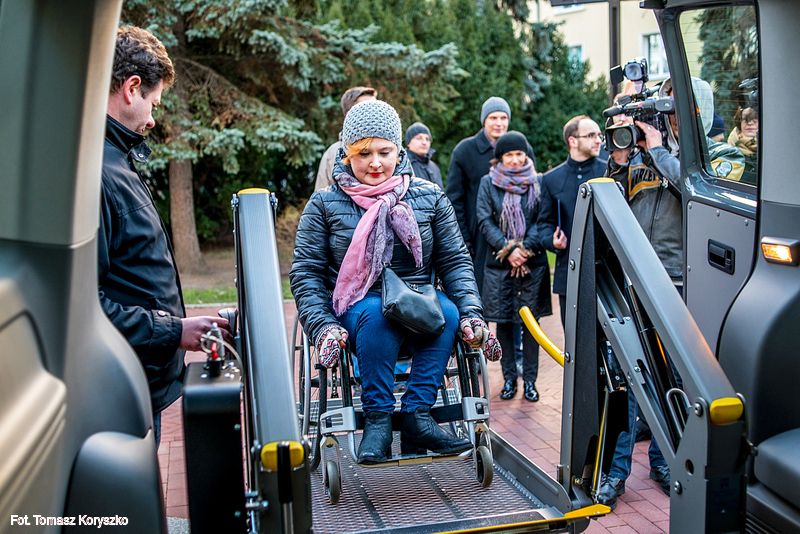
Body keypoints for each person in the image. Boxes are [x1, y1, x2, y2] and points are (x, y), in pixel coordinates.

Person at [290, 100, 501, 465]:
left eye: (384, 152)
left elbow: (455, 261)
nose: (375, 163)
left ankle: (418, 415)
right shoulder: (324, 204)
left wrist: (471, 313)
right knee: (377, 314)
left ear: (399, 151)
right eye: (364, 153)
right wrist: (322, 325)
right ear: (346, 153)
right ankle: (378, 420)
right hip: (359, 304)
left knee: (449, 314)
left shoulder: (429, 196)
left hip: (419, 295)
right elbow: (306, 272)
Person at [100, 26, 232, 447]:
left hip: (139, 380)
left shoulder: (115, 158)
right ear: (131, 88)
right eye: (153, 103)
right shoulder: (97, 173)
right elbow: (87, 305)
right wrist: (174, 332)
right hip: (120, 387)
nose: (153, 118)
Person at [476, 132, 552, 402]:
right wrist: (509, 251)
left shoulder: (538, 181)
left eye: (519, 154)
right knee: (505, 323)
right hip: (500, 265)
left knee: (532, 326)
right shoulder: (488, 183)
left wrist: (524, 250)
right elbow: (484, 220)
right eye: (509, 155)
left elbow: (543, 218)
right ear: (500, 158)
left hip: (532, 265)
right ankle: (509, 379)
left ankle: (530, 381)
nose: (515, 159)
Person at [536, 115, 606, 328]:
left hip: (606, 274)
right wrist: (552, 241)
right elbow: (543, 224)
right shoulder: (551, 179)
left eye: (599, 135)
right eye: (591, 135)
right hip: (569, 272)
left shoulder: (608, 172)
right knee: (574, 338)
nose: (598, 140)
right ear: (573, 141)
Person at [446, 96, 513, 292]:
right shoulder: (464, 151)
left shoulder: (519, 149)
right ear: (484, 120)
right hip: (477, 240)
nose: (499, 123)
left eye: (503, 118)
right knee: (480, 297)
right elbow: (454, 200)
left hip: (513, 238)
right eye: (493, 118)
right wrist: (464, 241)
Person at [314, 86, 378, 191]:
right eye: (367, 109)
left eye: (377, 108)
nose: (375, 114)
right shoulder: (333, 153)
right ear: (349, 115)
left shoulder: (390, 147)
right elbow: (320, 196)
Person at [727, 104, 758, 185]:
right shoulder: (728, 152)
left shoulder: (774, 148)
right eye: (745, 119)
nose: (750, 123)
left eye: (755, 119)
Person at [405, 122, 443, 188]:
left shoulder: (434, 167)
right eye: (419, 138)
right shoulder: (403, 164)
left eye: (427, 139)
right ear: (408, 143)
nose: (424, 142)